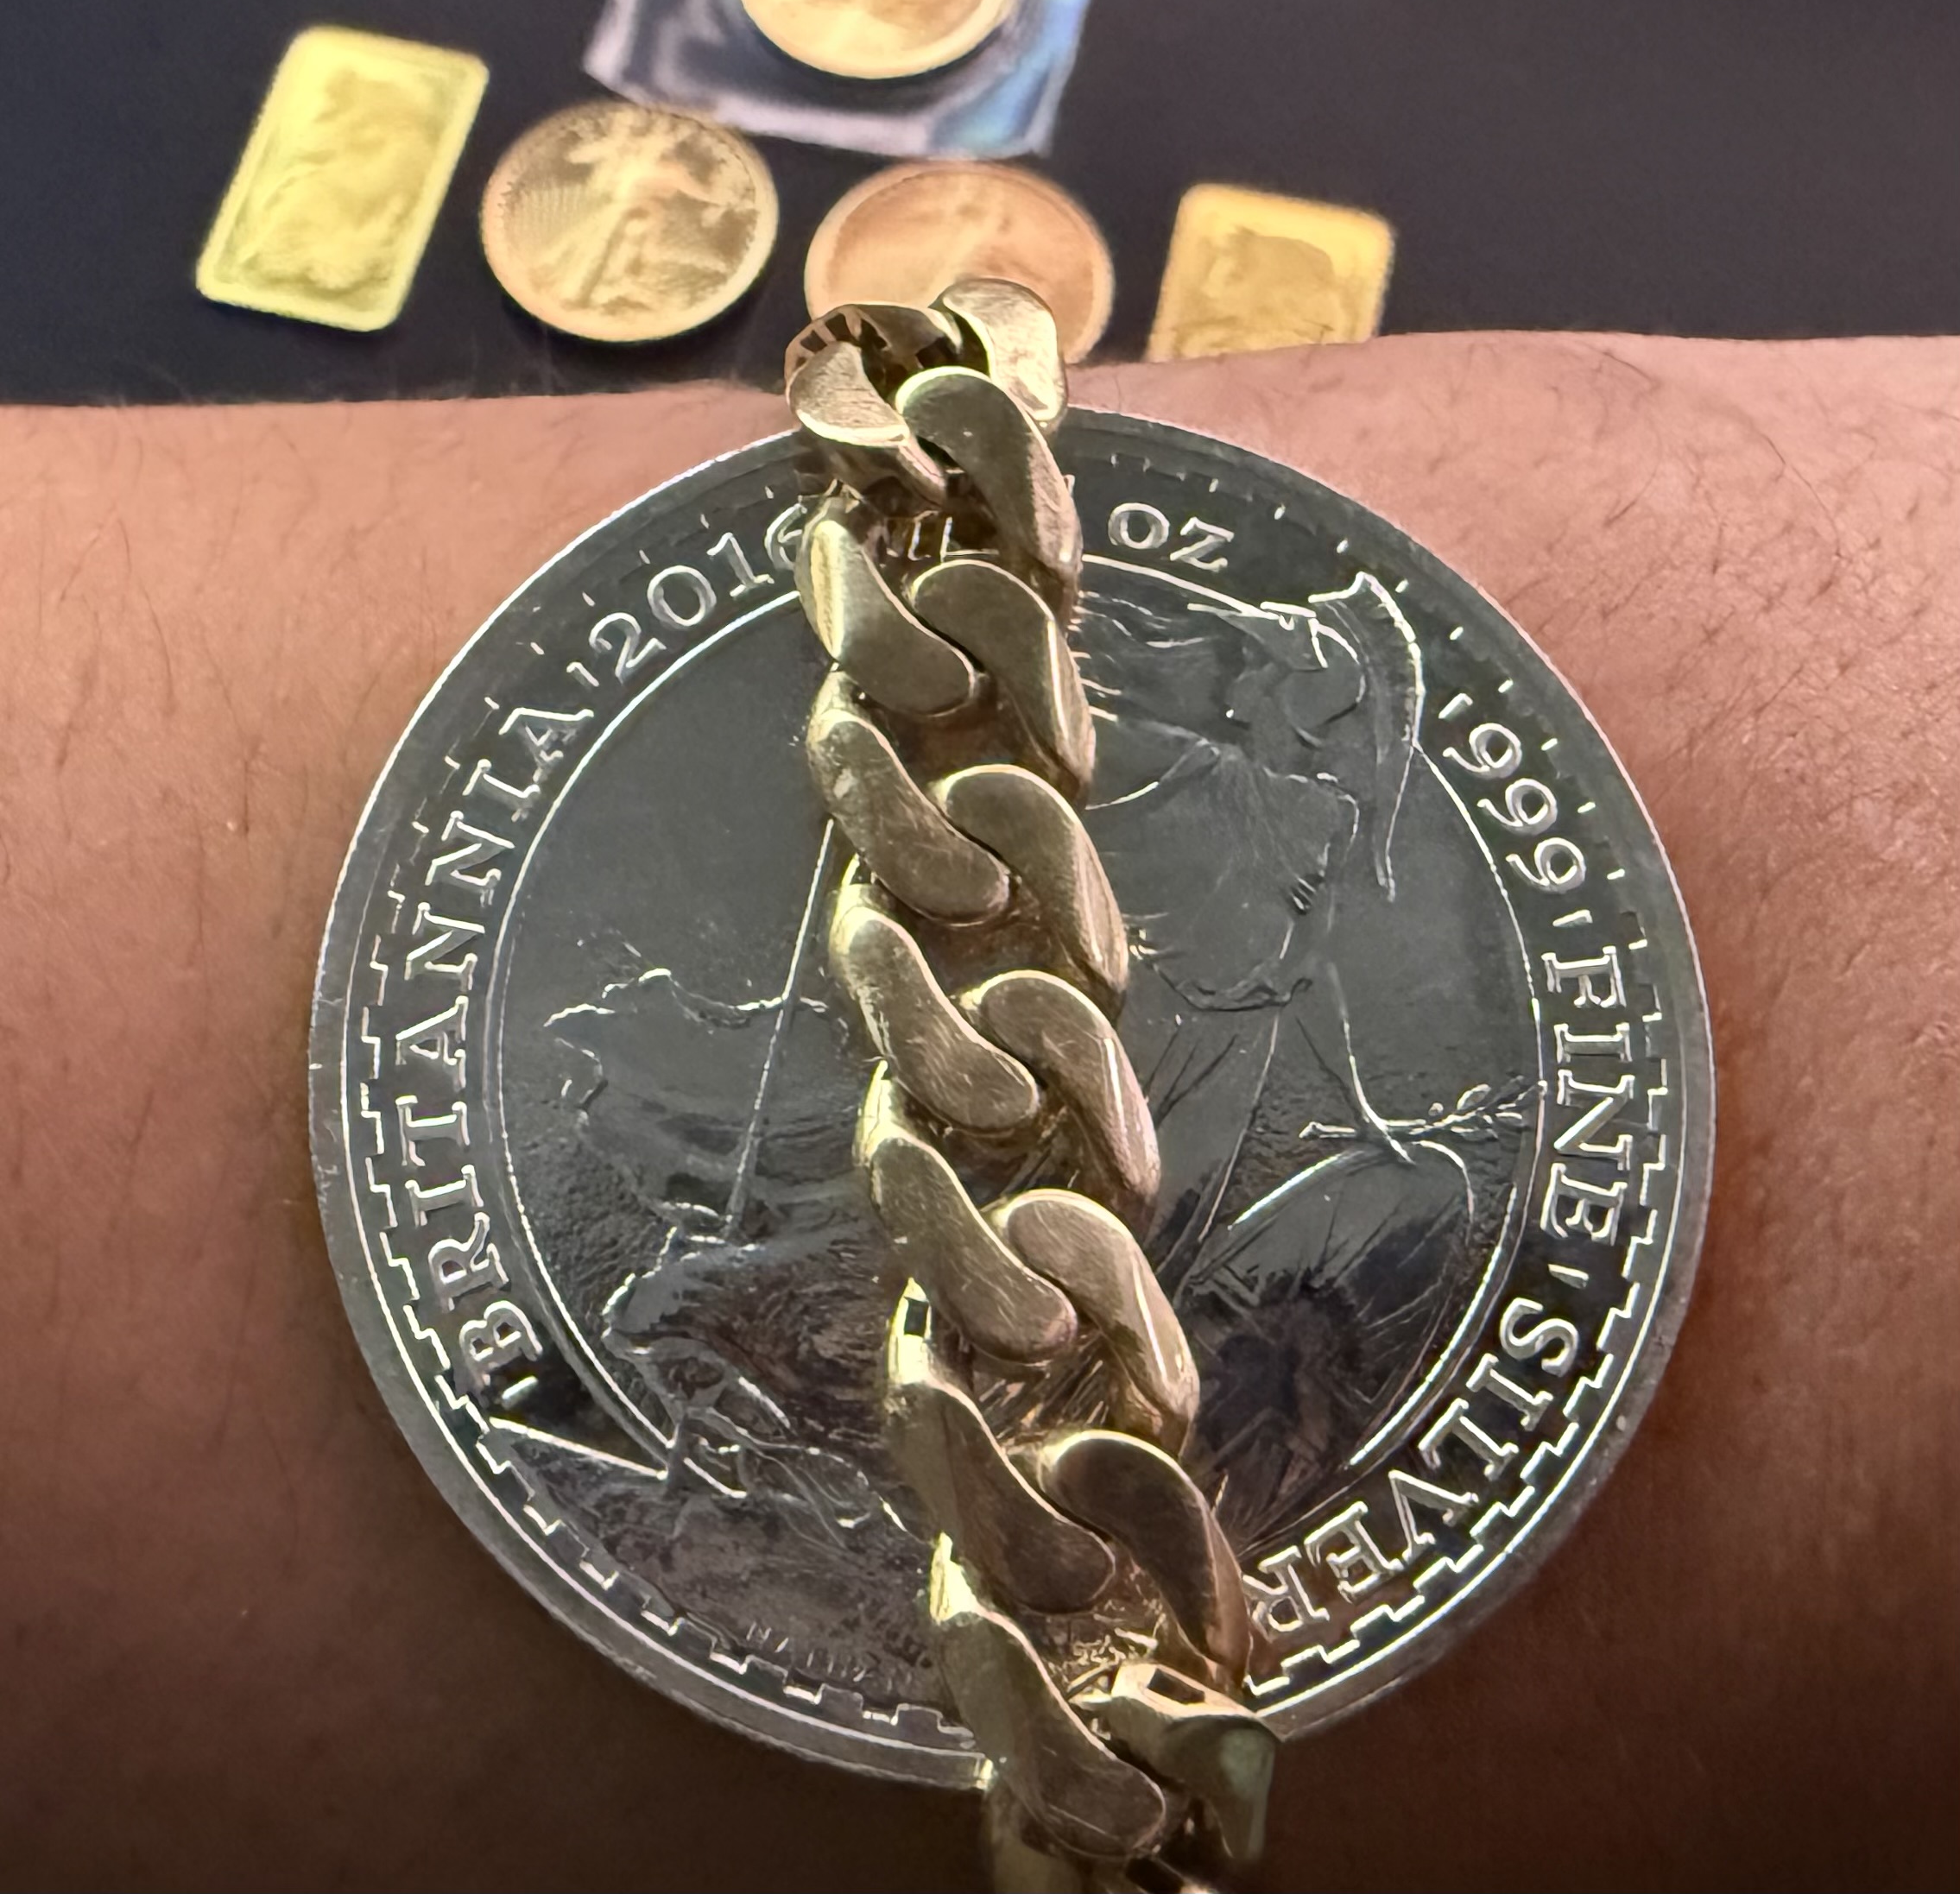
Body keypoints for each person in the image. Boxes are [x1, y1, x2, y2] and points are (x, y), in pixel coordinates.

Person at [0, 331, 1952, 1891]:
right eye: (1147, 809)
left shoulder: (1355, 1223)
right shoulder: (740, 1290)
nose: (1154, 891)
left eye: (1225, 822)